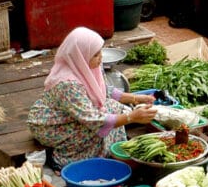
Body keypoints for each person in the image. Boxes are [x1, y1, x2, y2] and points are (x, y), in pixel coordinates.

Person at [28, 26, 157, 168]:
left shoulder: (87, 66)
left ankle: (110, 147)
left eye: (100, 52)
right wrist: (131, 117)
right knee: (97, 129)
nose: (100, 57)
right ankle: (61, 161)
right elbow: (93, 120)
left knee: (113, 108)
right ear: (80, 55)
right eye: (95, 54)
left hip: (72, 113)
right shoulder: (67, 84)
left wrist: (137, 98)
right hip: (51, 125)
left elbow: (105, 92)